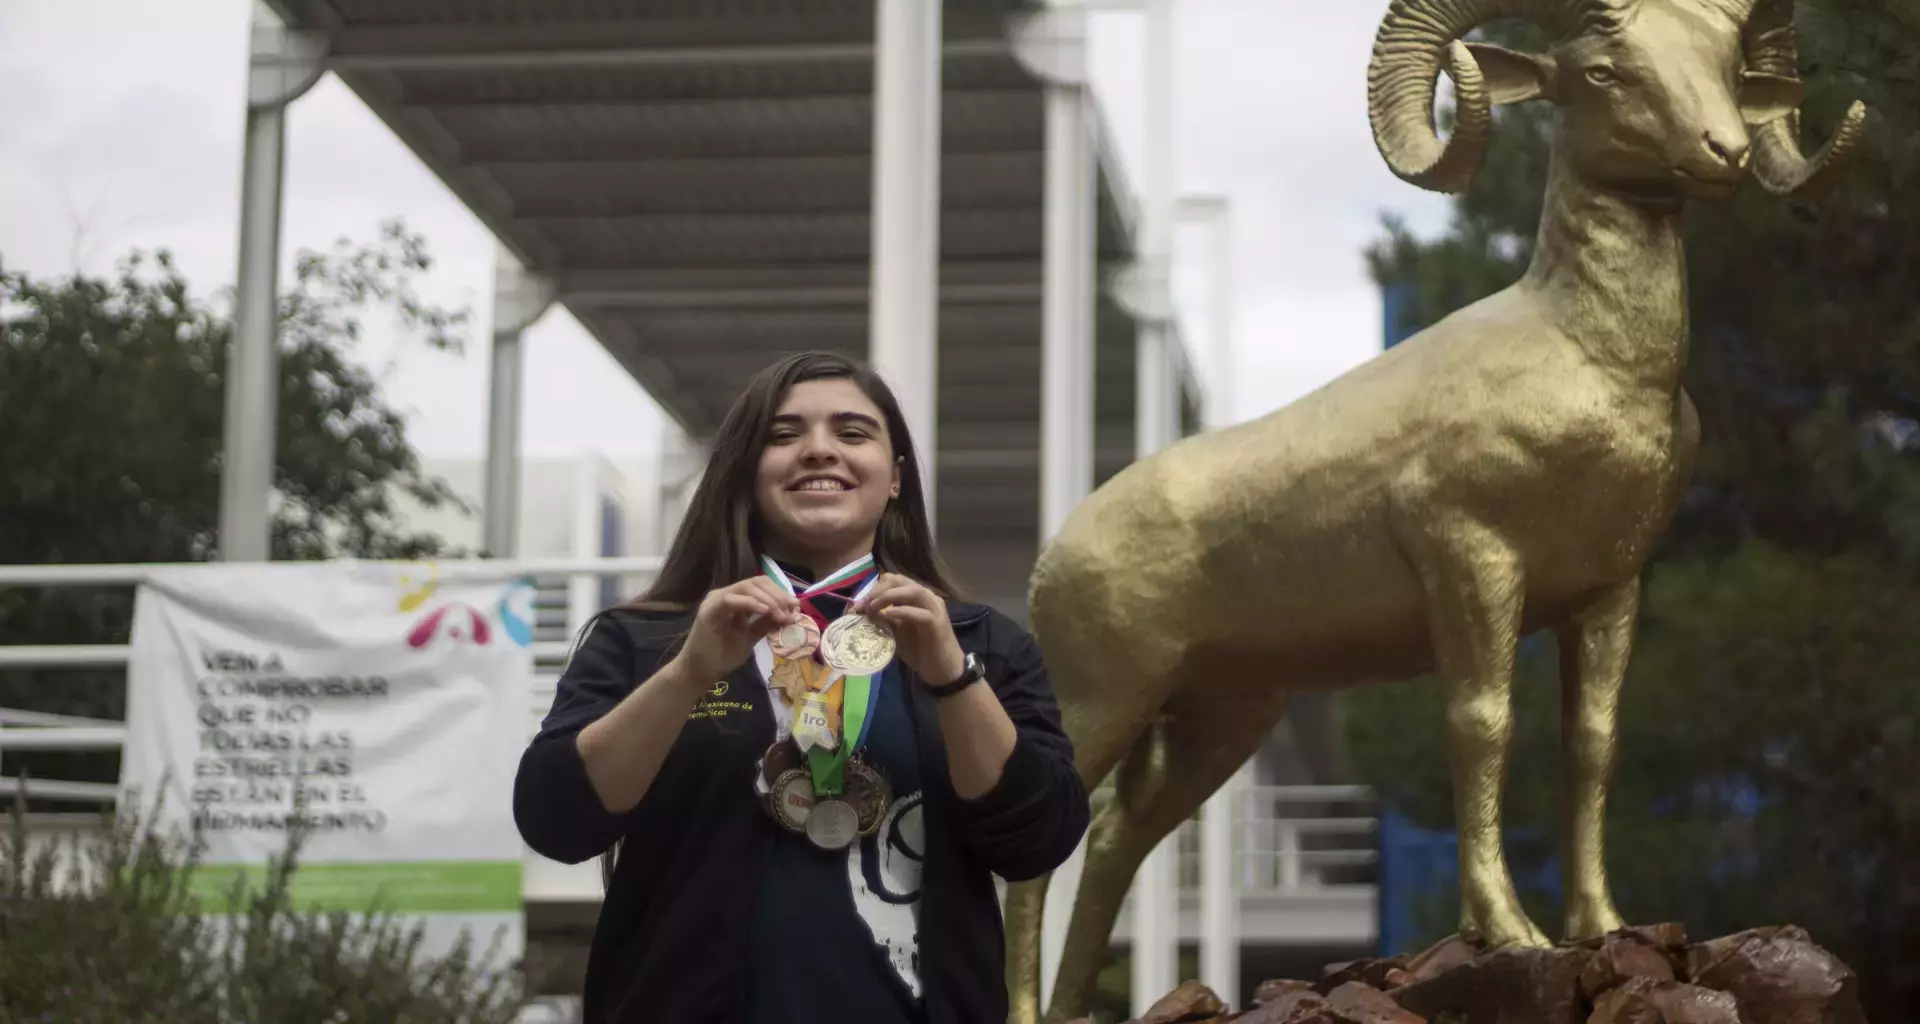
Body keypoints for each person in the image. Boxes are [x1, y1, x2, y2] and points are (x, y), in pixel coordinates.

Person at [513, 351, 1091, 1024]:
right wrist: (688, 671)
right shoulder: (645, 639)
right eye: (784, 436)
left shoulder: (977, 642)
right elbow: (557, 820)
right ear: (746, 473)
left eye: (852, 433)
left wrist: (951, 677)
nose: (819, 451)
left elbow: (1039, 840)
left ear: (895, 477)